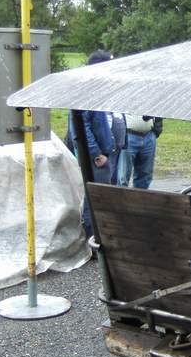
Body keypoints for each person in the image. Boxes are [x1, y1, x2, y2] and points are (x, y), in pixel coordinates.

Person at [67, 49, 117, 238]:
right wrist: (97, 154)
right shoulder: (86, 92)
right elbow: (81, 127)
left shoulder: (96, 90)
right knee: (95, 198)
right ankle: (92, 239)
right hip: (95, 158)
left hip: (104, 153)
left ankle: (97, 236)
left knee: (101, 197)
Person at [117, 115, 163, 189]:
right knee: (123, 176)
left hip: (149, 135)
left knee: (145, 176)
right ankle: (120, 195)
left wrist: (159, 124)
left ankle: (140, 196)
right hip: (129, 134)